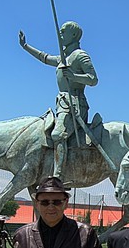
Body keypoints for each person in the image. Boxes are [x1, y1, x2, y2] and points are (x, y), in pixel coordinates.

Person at [18, 21, 98, 179]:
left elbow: (93, 79)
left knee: (58, 135)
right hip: (62, 103)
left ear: (73, 35)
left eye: (63, 32)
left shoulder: (80, 55)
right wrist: (25, 46)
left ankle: (57, 176)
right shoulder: (64, 58)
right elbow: (44, 58)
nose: (60, 35)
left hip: (75, 103)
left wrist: (74, 76)